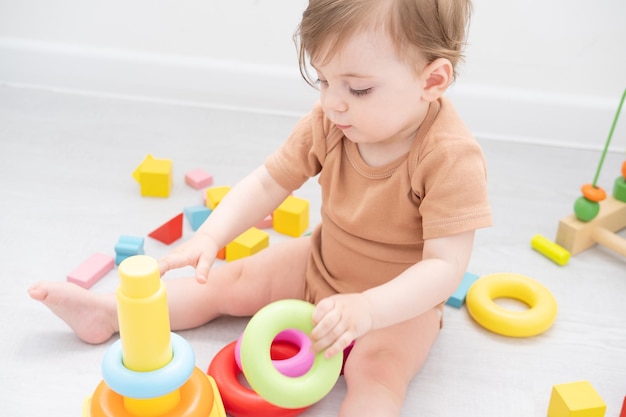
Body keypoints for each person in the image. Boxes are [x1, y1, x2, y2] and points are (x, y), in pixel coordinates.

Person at [29, 0, 491, 415]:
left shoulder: (451, 158)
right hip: (320, 263)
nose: (332, 102)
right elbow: (271, 181)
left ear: (432, 80)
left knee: (377, 376)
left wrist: (368, 310)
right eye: (324, 79)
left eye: (358, 89)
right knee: (229, 280)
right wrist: (211, 236)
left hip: (397, 308)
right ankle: (109, 313)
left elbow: (444, 268)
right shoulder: (331, 122)